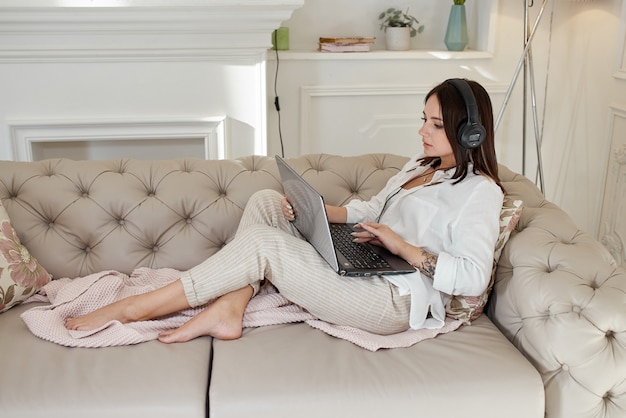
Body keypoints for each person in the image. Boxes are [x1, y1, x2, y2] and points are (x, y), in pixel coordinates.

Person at [65, 78, 504, 344]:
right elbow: (370, 208)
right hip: (365, 262)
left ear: (470, 134)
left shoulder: (480, 193)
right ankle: (230, 307)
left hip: (392, 300)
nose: (422, 132)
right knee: (267, 202)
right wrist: (314, 210)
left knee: (262, 245)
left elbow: (471, 277)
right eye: (423, 119)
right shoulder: (419, 166)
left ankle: (135, 309)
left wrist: (403, 247)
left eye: (437, 125)